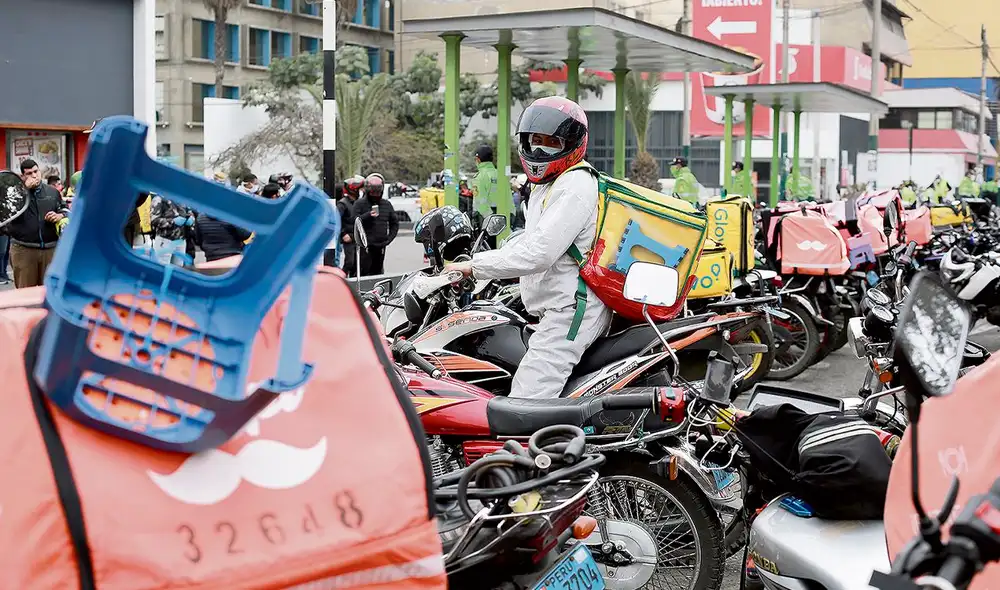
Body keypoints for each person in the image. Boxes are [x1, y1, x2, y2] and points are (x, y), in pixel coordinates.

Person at [443, 96, 611, 399]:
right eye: (534, 141)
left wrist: (475, 267)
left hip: (570, 311)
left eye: (550, 143)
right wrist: (476, 260)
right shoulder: (549, 185)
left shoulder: (575, 186)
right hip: (554, 307)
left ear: (573, 143)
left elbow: (540, 253)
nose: (538, 152)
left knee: (526, 400)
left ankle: (538, 448)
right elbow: (531, 238)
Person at [5, 159, 68, 288]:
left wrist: (59, 215)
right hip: (24, 249)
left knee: (50, 292)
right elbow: (8, 213)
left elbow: (64, 209)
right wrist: (24, 190)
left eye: (36, 171)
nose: (34, 175)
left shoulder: (52, 192)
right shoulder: (14, 193)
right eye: (29, 173)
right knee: (25, 293)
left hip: (50, 248)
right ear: (22, 176)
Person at [353, 173, 398, 276]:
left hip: (381, 246)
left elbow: (394, 223)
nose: (375, 195)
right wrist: (368, 215)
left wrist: (389, 239)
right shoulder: (359, 204)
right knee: (363, 272)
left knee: (378, 273)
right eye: (373, 193)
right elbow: (354, 221)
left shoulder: (386, 204)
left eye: (377, 193)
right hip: (365, 246)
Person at [150, 194, 194, 265]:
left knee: (178, 269)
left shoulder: (183, 198)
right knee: (162, 267)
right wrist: (172, 221)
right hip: (164, 240)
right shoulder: (159, 199)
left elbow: (190, 212)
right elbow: (153, 220)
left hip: (180, 241)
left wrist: (191, 219)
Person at [337, 175, 364, 277]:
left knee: (357, 264)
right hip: (348, 237)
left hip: (357, 236)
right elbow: (336, 220)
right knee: (349, 262)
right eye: (359, 189)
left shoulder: (358, 203)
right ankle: (342, 280)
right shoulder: (342, 204)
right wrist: (343, 234)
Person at [472, 144, 501, 229]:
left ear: (478, 159)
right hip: (503, 215)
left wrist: (490, 219)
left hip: (486, 217)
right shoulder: (501, 175)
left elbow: (480, 201)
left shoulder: (479, 177)